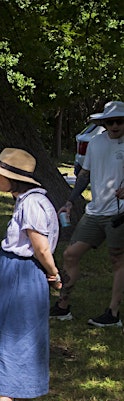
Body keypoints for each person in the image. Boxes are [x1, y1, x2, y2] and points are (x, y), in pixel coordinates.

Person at [0, 148, 61, 401]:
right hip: (16, 270)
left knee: (14, 336)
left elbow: (40, 246)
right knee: (11, 332)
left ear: (14, 179)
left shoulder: (32, 204)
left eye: (0, 175)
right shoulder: (26, 200)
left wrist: (54, 273)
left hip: (23, 273)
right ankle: (19, 400)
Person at [51, 100, 124, 328]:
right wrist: (71, 202)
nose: (114, 125)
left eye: (119, 121)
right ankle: (63, 307)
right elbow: (85, 175)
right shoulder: (95, 143)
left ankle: (113, 314)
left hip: (119, 214)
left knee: (118, 261)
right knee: (71, 254)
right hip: (94, 212)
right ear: (103, 123)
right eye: (109, 121)